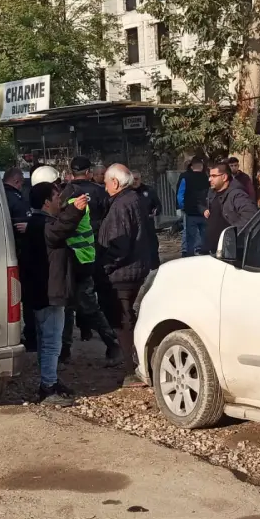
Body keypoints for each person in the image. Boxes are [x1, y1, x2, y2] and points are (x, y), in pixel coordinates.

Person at [22, 182, 87, 405]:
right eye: (57, 197)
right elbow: (61, 229)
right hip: (49, 292)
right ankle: (48, 387)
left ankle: (49, 380)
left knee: (45, 340)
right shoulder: (43, 224)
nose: (61, 201)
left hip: (43, 291)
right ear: (47, 202)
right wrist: (76, 210)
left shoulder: (36, 223)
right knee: (51, 342)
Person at [59, 155, 120, 364]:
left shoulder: (63, 193)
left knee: (67, 304)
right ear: (88, 172)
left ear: (70, 172)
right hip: (92, 252)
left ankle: (65, 350)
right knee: (89, 303)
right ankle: (111, 343)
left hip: (69, 257)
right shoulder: (99, 192)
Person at [98, 164, 152, 385]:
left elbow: (120, 243)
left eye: (106, 183)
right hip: (137, 267)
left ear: (116, 183)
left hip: (123, 272)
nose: (104, 187)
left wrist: (106, 267)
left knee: (123, 321)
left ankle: (133, 370)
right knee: (129, 318)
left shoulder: (122, 204)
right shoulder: (134, 199)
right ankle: (139, 363)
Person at [3, 166, 34, 350]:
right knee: (26, 298)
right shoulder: (17, 200)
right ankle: (31, 337)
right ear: (17, 181)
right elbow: (24, 227)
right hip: (20, 255)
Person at [204, 160, 259, 255]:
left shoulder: (237, 195)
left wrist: (231, 236)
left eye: (213, 176)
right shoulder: (212, 192)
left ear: (224, 177)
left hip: (230, 252)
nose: (210, 179)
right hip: (214, 249)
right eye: (210, 176)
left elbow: (251, 217)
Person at [176, 157, 210, 257]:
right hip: (205, 212)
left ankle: (188, 254)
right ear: (202, 166)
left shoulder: (185, 177)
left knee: (189, 236)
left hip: (190, 211)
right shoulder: (207, 177)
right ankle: (203, 253)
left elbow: (180, 195)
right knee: (204, 235)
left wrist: (182, 207)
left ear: (191, 166)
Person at [131, 171, 162, 271]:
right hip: (133, 225)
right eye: (132, 180)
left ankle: (155, 267)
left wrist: (156, 211)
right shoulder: (127, 192)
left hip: (148, 223)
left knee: (152, 245)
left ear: (140, 179)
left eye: (136, 179)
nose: (134, 182)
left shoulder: (148, 190)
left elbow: (158, 205)